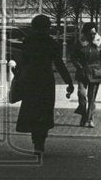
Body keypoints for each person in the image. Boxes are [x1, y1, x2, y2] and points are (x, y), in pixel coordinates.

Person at [11, 14, 74, 155]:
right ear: (47, 27)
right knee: (44, 112)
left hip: (31, 81)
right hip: (46, 81)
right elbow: (59, 64)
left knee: (32, 110)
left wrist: (17, 74)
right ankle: (41, 141)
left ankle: (36, 142)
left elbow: (22, 62)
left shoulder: (28, 42)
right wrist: (69, 82)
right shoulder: (51, 43)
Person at [72, 21, 101, 128]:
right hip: (82, 72)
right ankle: (84, 116)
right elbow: (73, 57)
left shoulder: (99, 42)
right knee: (81, 94)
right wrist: (79, 66)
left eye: (94, 33)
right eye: (90, 33)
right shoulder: (80, 42)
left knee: (92, 98)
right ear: (85, 33)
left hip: (95, 73)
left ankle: (90, 119)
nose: (93, 35)